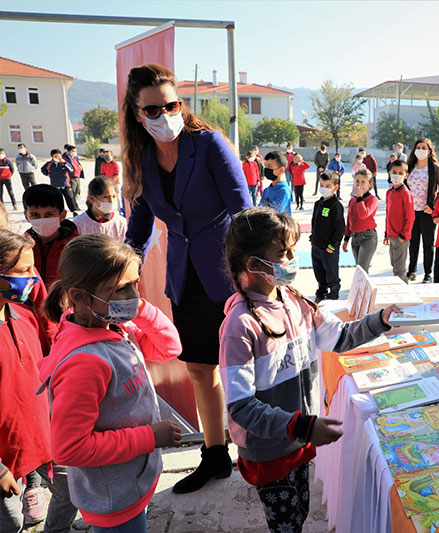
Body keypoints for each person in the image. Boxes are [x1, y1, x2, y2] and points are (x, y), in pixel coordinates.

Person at [219, 207, 398, 533]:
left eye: (291, 250)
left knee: (299, 512)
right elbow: (241, 407)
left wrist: (380, 321)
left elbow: (341, 337)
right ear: (253, 264)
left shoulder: (295, 301)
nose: (291, 258)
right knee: (286, 525)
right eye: (282, 252)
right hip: (270, 449)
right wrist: (302, 425)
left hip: (298, 438)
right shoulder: (240, 326)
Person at [122, 64, 251, 495]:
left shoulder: (209, 145)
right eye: (153, 108)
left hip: (230, 274)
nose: (164, 114)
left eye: (171, 104)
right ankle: (216, 455)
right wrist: (124, 266)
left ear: (181, 104)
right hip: (184, 277)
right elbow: (139, 222)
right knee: (200, 367)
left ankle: (263, 448)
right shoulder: (141, 158)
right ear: (138, 113)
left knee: (250, 369)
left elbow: (243, 210)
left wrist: (255, 270)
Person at [39, 234, 183, 533]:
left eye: (135, 285)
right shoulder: (86, 362)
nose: (133, 295)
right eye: (121, 289)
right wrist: (150, 437)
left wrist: (137, 308)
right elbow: (70, 449)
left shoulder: (111, 324)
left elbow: (169, 347)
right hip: (113, 500)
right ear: (78, 296)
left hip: (128, 483)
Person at [0, 229, 78, 533]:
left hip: (44, 438)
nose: (30, 279)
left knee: (72, 491)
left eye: (31, 270)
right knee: (12, 523)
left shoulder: (25, 316)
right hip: (6, 457)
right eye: (20, 272)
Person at [23, 184, 80, 288]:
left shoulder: (75, 246)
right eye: (35, 215)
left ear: (62, 215)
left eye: (49, 214)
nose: (42, 220)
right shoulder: (22, 247)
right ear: (26, 216)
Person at [405, 138, 439, 283]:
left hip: (427, 212)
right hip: (411, 212)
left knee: (428, 243)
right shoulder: (409, 166)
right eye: (418, 147)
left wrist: (433, 206)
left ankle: (428, 273)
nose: (421, 150)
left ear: (429, 151)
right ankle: (411, 271)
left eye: (424, 148)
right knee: (412, 243)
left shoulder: (434, 168)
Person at [310, 171, 345, 302]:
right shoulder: (318, 204)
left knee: (331, 273)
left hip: (329, 249)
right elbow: (314, 223)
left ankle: (333, 295)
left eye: (328, 185)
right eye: (322, 184)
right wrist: (313, 237)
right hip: (316, 246)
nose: (324, 188)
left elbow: (340, 229)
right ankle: (321, 293)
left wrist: (332, 245)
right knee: (319, 273)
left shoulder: (336, 206)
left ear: (335, 188)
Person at [343, 169, 379, 272]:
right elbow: (350, 220)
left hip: (368, 237)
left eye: (363, 182)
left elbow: (363, 214)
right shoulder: (352, 200)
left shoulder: (372, 199)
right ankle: (361, 288)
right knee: (358, 268)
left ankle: (365, 288)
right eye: (357, 181)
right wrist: (346, 239)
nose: (359, 184)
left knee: (363, 268)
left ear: (370, 185)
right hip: (355, 237)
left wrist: (359, 198)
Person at [72, 177, 128, 242]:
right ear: (92, 198)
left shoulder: (121, 223)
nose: (111, 201)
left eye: (114, 196)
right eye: (106, 197)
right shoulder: (79, 223)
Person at [384, 159, 414, 282]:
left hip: (401, 236)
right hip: (391, 235)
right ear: (390, 173)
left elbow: (410, 216)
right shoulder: (389, 192)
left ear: (406, 175)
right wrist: (386, 233)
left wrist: (404, 234)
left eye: (400, 173)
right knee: (394, 264)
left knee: (399, 268)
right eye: (394, 172)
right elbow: (388, 214)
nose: (397, 175)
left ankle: (404, 293)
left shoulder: (405, 193)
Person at [40, 149, 79, 216]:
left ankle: (74, 211)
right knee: (57, 201)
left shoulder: (64, 163)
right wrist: (47, 173)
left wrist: (63, 163)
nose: (57, 158)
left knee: (70, 198)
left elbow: (71, 170)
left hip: (65, 184)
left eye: (59, 156)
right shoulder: (49, 164)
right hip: (55, 185)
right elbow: (43, 169)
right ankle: (60, 213)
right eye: (55, 156)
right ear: (52, 157)